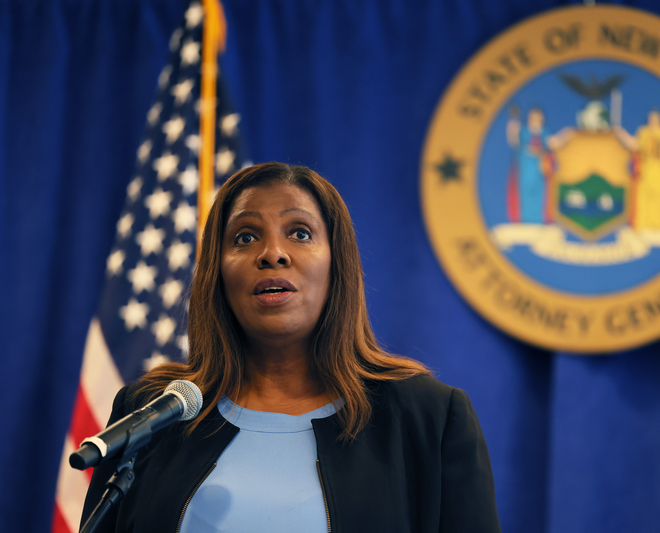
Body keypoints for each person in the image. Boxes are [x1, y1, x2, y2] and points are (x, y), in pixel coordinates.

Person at [81, 162, 501, 532]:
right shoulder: (154, 414)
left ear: (338, 264)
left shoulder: (428, 419)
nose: (272, 254)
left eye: (300, 233)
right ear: (217, 272)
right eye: (245, 237)